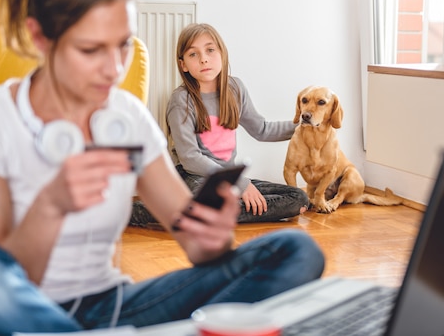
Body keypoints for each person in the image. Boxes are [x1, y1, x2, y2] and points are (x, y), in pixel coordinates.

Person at [0, 0, 325, 336]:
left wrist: (211, 236)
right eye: (91, 49)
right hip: (17, 315)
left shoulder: (125, 115)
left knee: (294, 251)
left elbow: (192, 240)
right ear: (40, 36)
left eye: (123, 46)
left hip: (113, 309)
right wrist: (50, 206)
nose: (113, 69)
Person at [130, 23, 310, 228]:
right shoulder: (181, 100)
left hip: (227, 177)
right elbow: (190, 158)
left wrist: (305, 126)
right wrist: (242, 184)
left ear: (222, 54)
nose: (204, 58)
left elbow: (262, 129)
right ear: (183, 65)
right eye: (193, 54)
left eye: (210, 50)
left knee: (298, 198)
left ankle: (197, 213)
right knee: (214, 200)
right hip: (192, 176)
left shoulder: (235, 89)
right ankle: (141, 212)